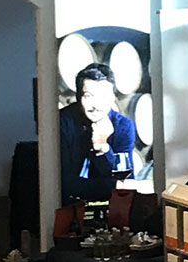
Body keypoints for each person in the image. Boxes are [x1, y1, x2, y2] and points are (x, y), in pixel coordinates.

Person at [58, 63, 136, 203]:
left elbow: (126, 182)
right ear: (78, 96)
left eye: (103, 96)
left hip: (108, 207)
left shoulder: (123, 126)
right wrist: (113, 186)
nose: (96, 105)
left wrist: (102, 147)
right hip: (66, 205)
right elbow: (63, 183)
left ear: (113, 97)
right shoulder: (62, 121)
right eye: (88, 96)